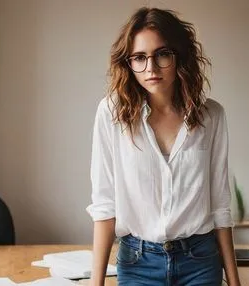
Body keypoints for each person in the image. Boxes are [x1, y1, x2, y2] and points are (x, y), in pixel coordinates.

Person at [86, 7, 241, 286]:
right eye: (139, 57)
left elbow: (220, 203)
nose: (151, 68)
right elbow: (104, 204)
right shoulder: (111, 113)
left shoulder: (212, 116)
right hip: (138, 263)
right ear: (128, 62)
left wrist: (234, 280)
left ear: (179, 56)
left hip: (200, 262)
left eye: (162, 54)